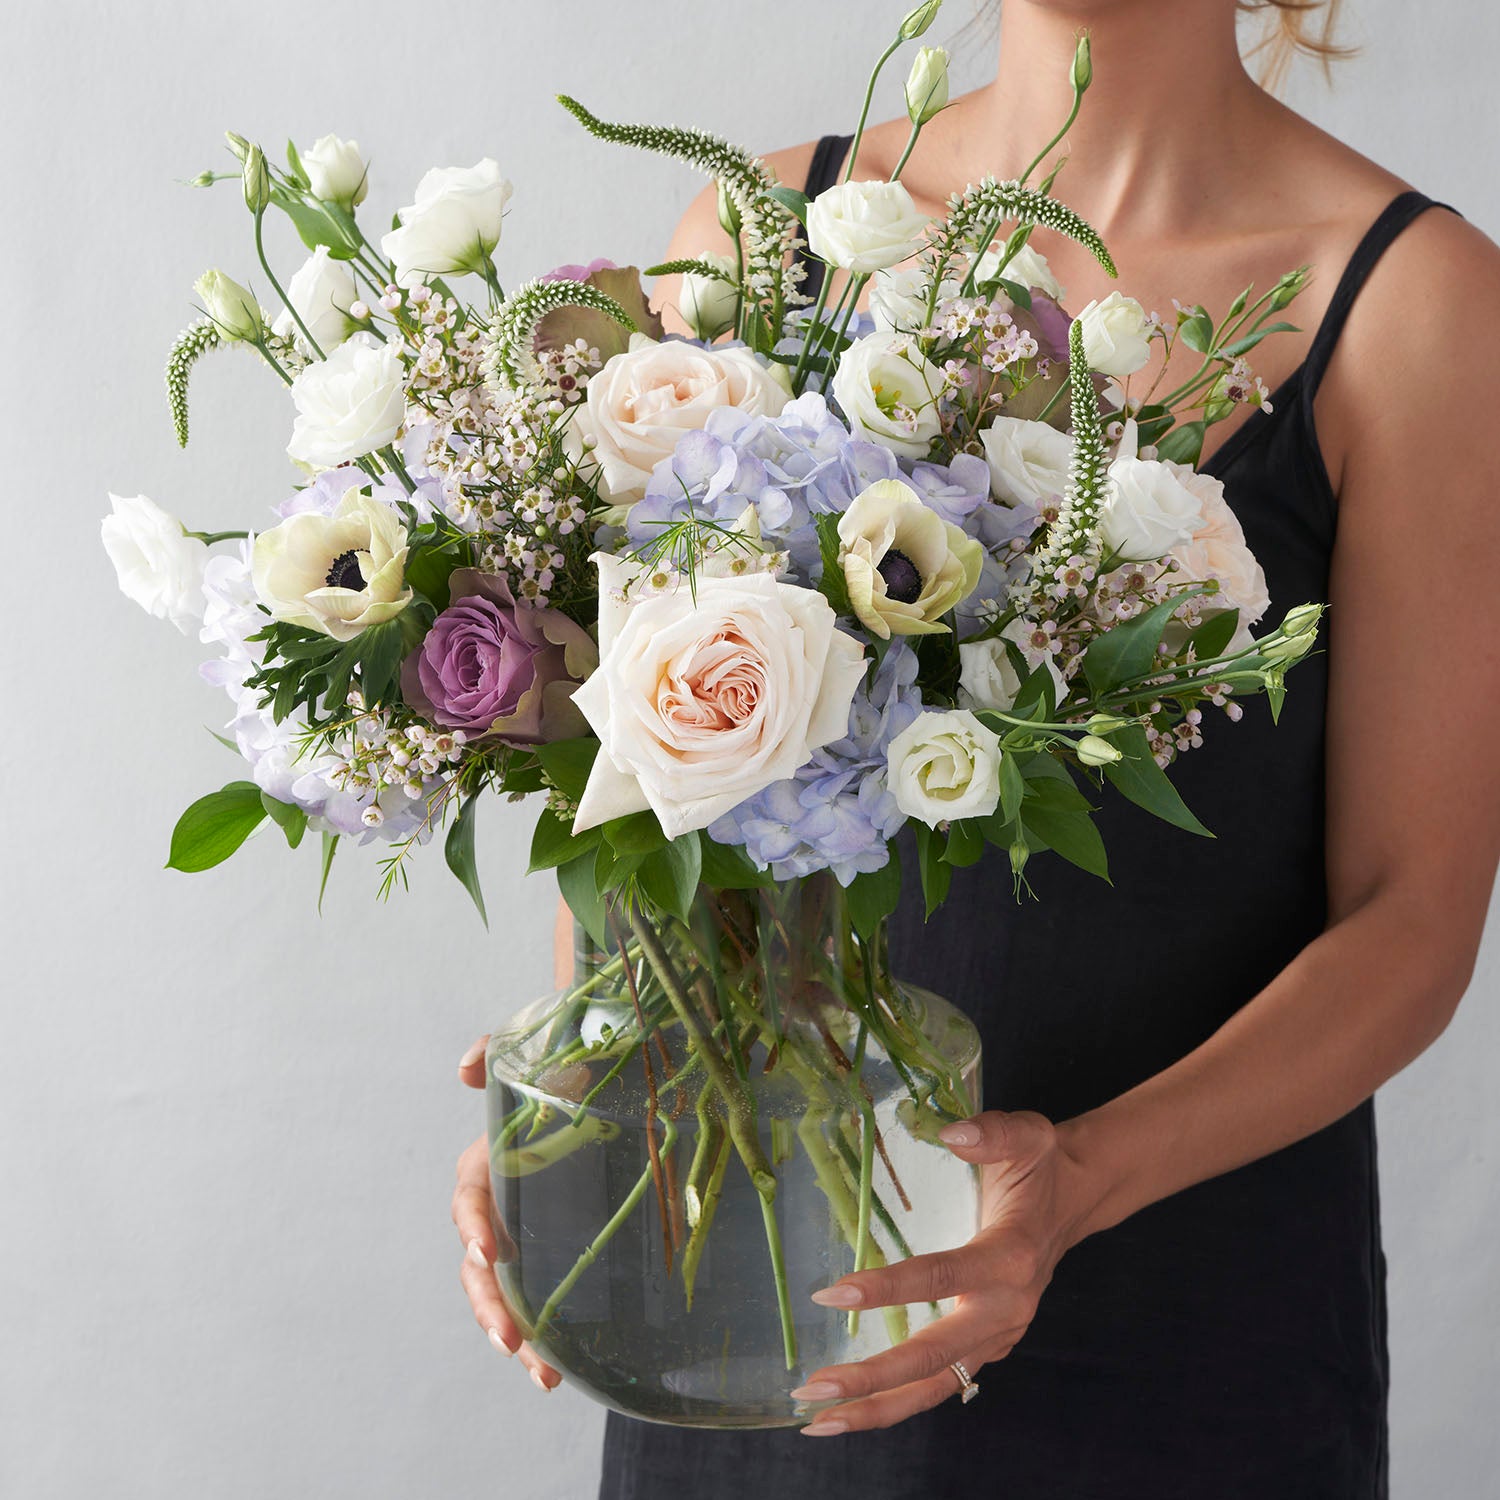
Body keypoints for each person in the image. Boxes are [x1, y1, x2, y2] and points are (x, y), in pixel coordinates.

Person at [452, 0, 1500, 1493]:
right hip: (779, 1311)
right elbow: (645, 761)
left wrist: (1073, 1185)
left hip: (1184, 1352)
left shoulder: (1412, 305)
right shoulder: (764, 232)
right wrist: (611, 1068)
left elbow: (1412, 921)